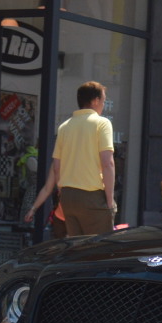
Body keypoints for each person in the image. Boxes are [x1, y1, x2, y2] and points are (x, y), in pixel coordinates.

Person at [42, 81, 116, 237]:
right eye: (103, 101)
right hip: (92, 196)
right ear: (95, 101)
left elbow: (57, 167)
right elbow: (108, 163)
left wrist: (63, 193)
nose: (103, 105)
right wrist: (109, 201)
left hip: (68, 197)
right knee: (99, 249)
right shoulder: (102, 124)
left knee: (77, 248)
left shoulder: (64, 127)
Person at [24, 165, 68, 239]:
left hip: (71, 216)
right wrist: (33, 209)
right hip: (62, 216)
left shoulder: (59, 161)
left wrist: (33, 209)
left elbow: (47, 189)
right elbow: (47, 189)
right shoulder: (57, 162)